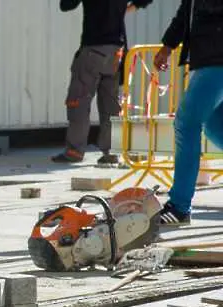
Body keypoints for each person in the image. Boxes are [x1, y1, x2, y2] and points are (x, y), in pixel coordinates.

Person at [52, 0, 152, 164]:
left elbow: (66, 5)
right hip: (116, 52)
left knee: (79, 100)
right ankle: (111, 152)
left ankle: (75, 151)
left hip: (93, 47)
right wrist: (124, 10)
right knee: (110, 105)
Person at [154, 0, 223, 226]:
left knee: (186, 122)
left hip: (218, 61)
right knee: (215, 127)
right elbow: (185, 14)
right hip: (209, 59)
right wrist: (167, 46)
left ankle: (180, 207)